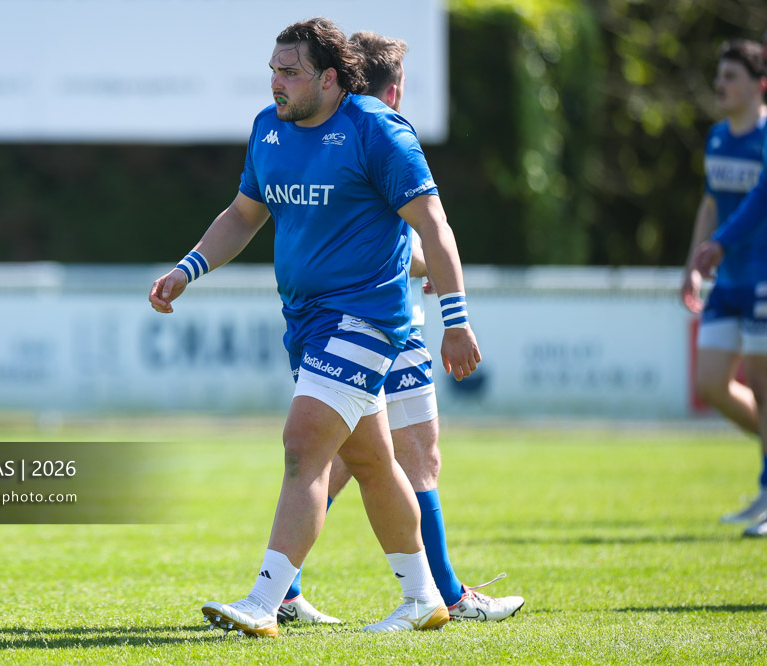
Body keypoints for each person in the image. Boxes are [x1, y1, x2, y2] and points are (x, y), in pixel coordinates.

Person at [150, 17, 481, 637]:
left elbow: (434, 226)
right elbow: (244, 214)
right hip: (304, 323)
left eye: (290, 72)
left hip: (365, 319)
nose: (277, 83)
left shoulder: (375, 130)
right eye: (273, 70)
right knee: (375, 463)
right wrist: (187, 269)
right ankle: (422, 598)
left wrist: (455, 323)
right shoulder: (268, 130)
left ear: (329, 79)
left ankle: (264, 600)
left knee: (303, 446)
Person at [276, 31, 524, 627]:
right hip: (388, 328)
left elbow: (388, 241)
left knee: (369, 456)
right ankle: (439, 594)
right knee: (384, 457)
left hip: (379, 323)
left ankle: (300, 591)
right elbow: (385, 241)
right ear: (394, 88)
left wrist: (428, 267)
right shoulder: (378, 135)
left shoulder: (353, 135)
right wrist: (443, 293)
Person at [684, 39, 767, 535]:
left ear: (760, 85)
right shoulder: (717, 137)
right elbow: (711, 205)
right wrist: (692, 264)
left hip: (762, 278)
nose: (720, 84)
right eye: (718, 75)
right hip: (727, 280)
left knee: (761, 387)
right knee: (712, 382)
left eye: (730, 76)